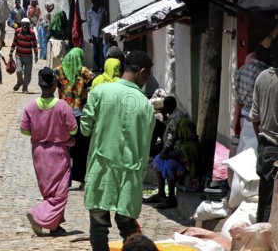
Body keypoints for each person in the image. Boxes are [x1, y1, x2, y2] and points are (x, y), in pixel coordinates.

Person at [81, 50, 155, 251]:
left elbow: (85, 129)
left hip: (100, 170)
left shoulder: (99, 92)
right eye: (147, 76)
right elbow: (145, 147)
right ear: (142, 72)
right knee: (128, 226)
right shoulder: (146, 106)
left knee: (98, 227)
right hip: (129, 175)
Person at [21, 67, 77, 237]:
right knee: (60, 192)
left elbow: (24, 131)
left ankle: (54, 226)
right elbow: (73, 130)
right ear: (54, 86)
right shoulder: (62, 106)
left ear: (39, 84)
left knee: (48, 190)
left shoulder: (30, 106)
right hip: (58, 152)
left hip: (39, 152)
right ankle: (38, 213)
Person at [56, 47, 93, 188]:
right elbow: (92, 83)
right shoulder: (85, 73)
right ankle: (82, 180)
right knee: (81, 149)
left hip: (62, 114)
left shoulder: (59, 71)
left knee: (63, 148)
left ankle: (64, 180)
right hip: (79, 115)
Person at [148, 118, 205, 210]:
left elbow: (164, 155)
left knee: (171, 162)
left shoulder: (186, 148)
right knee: (158, 159)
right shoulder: (190, 144)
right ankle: (161, 193)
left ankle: (171, 198)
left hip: (192, 184)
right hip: (189, 179)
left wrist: (171, 140)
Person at [251, 37, 278, 223]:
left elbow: (255, 118)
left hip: (266, 147)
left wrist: (261, 140)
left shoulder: (262, 78)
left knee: (266, 199)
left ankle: (261, 238)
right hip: (272, 147)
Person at [234, 44, 271, 154]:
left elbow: (238, 100)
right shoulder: (266, 73)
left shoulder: (242, 69)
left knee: (244, 154)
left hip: (245, 116)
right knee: (255, 155)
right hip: (258, 120)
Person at [10, 18, 38, 93]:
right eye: (23, 25)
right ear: (21, 25)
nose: (25, 26)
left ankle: (25, 88)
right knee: (19, 71)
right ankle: (20, 82)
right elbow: (14, 42)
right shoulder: (17, 32)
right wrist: (11, 52)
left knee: (27, 74)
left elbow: (35, 44)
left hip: (28, 56)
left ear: (29, 25)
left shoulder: (32, 33)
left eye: (26, 25)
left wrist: (36, 54)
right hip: (19, 55)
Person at [87, 0, 108, 72]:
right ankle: (96, 67)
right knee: (96, 52)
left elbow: (104, 19)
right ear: (94, 3)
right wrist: (89, 37)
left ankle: (102, 67)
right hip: (94, 35)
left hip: (102, 34)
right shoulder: (89, 13)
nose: (99, 3)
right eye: (98, 2)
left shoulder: (102, 10)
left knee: (102, 51)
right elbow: (88, 25)